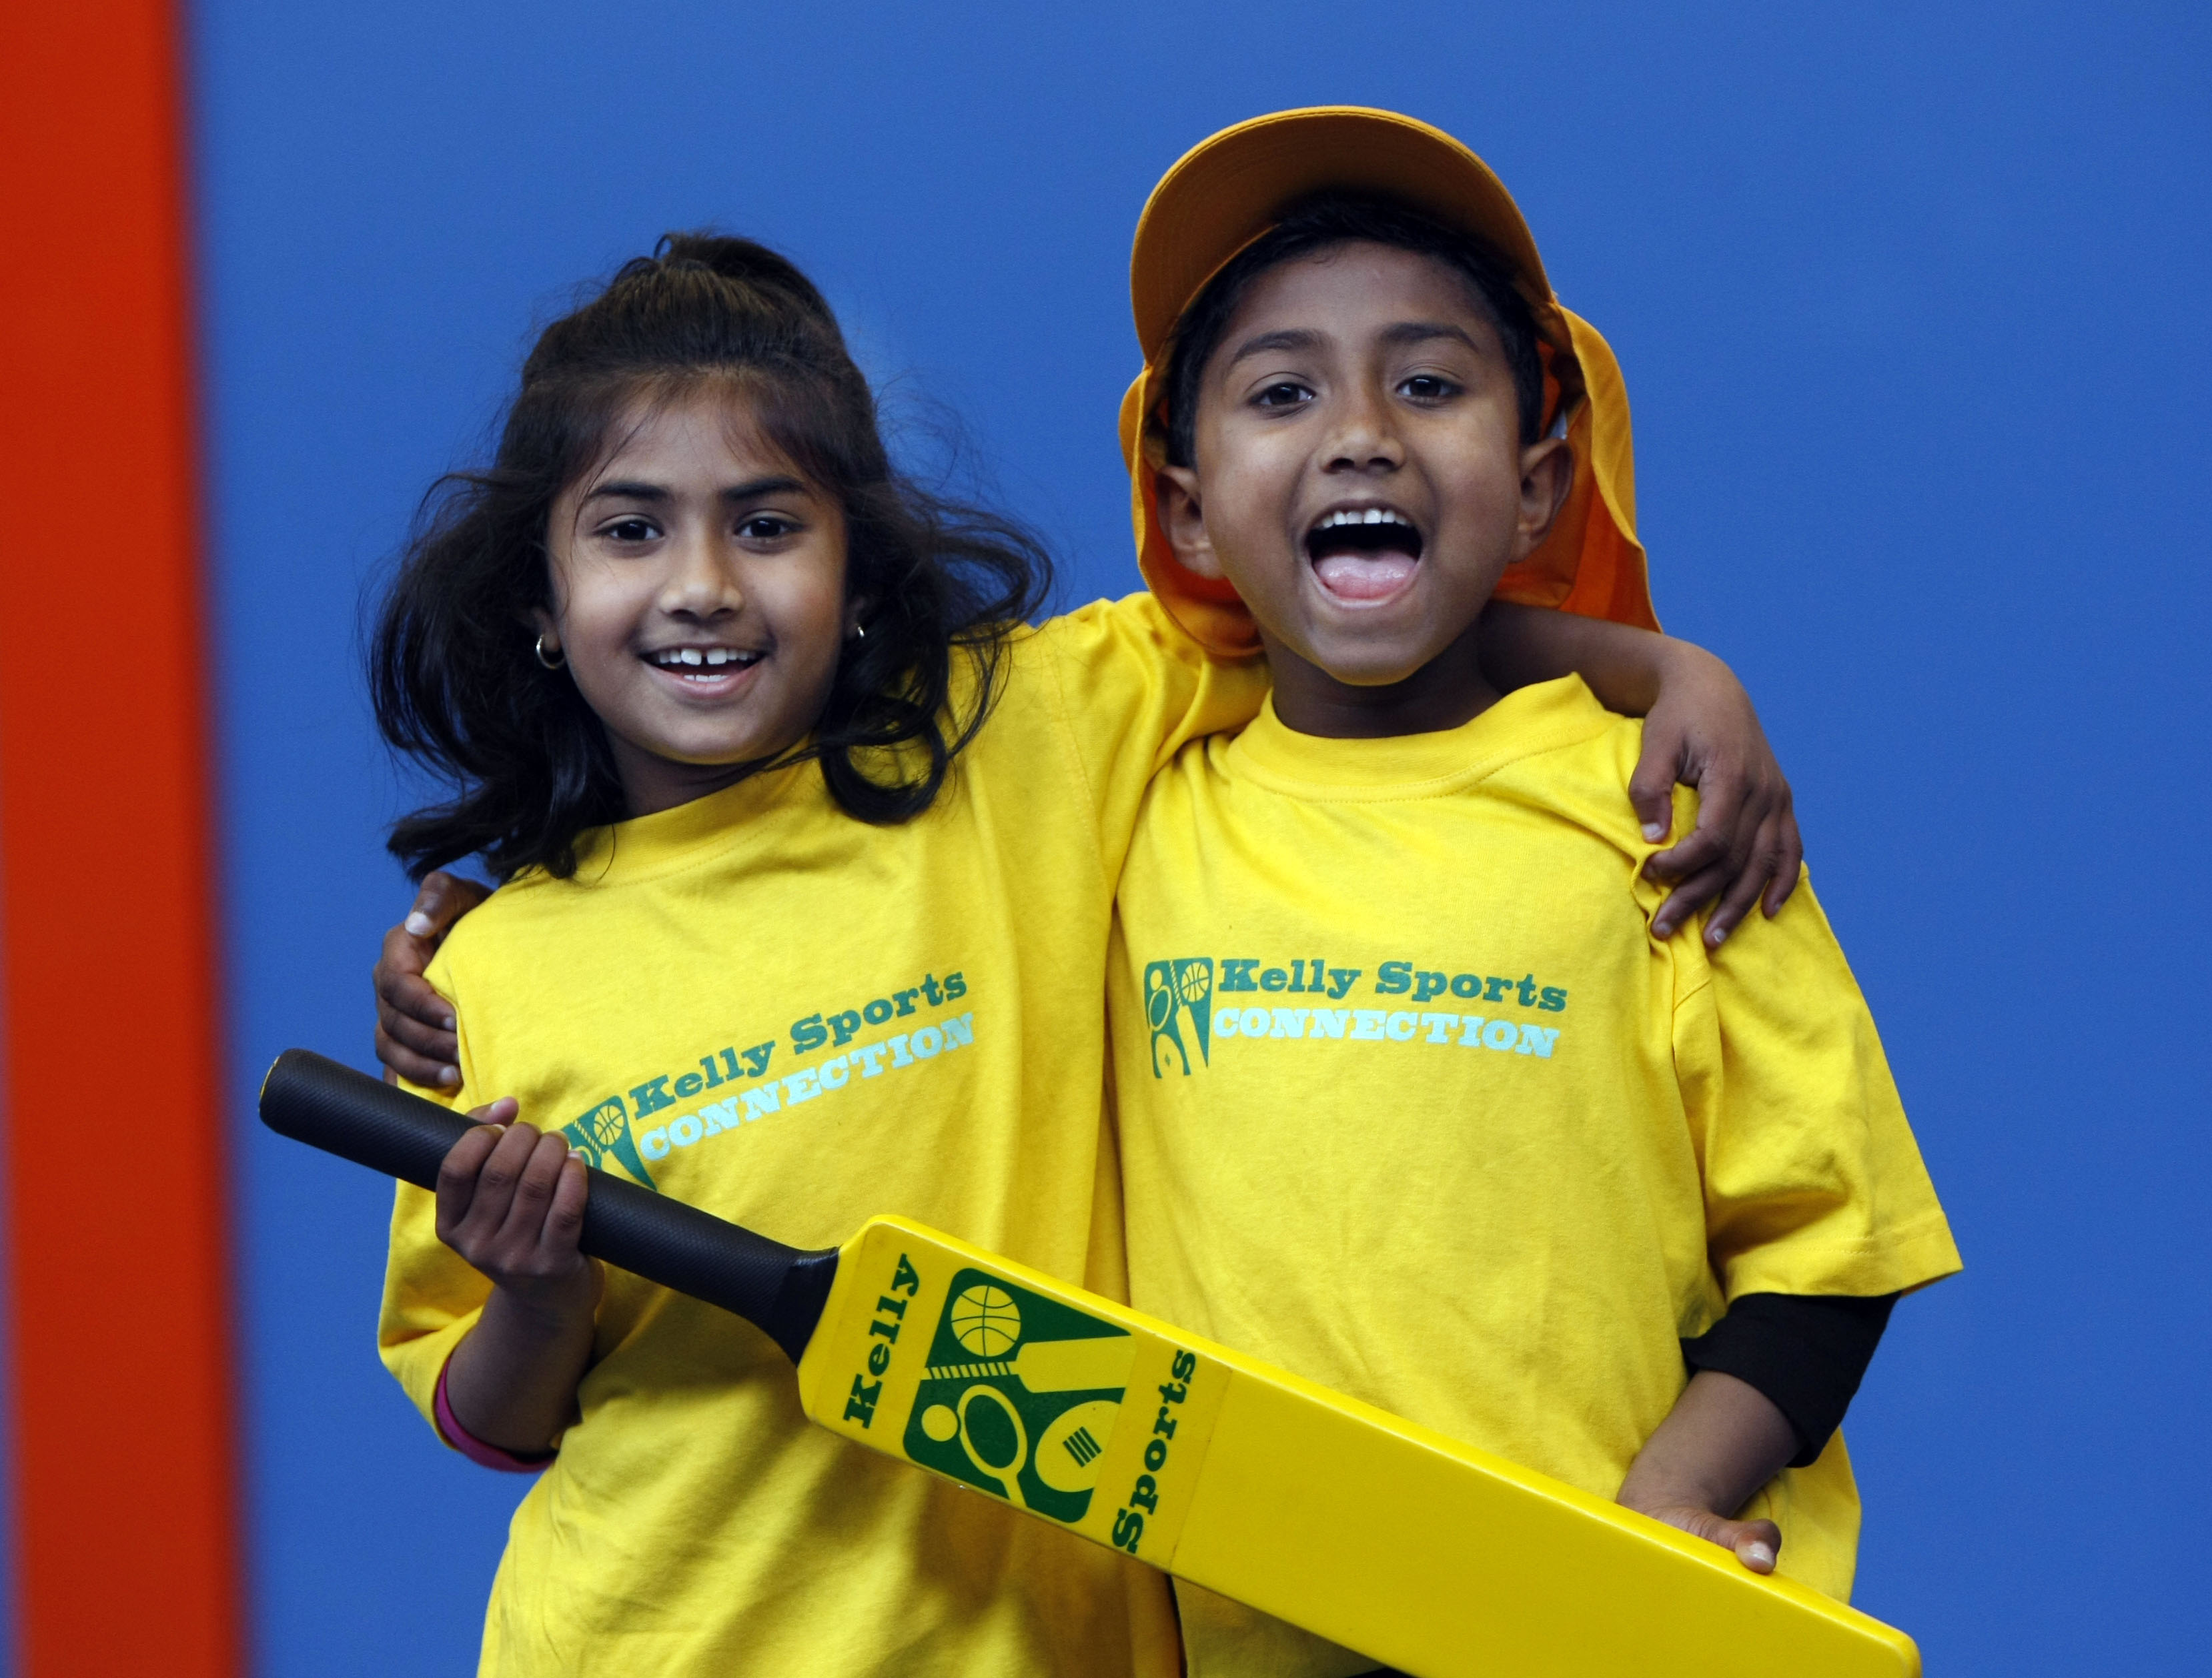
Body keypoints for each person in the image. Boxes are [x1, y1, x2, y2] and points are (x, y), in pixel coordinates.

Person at [367, 230, 1804, 1675]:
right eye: (628, 533)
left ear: (858, 571)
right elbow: (493, 1420)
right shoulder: (489, 978)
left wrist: (1667, 671)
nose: (702, 586)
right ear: (540, 601)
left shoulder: (1025, 742)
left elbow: (1338, 614)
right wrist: (538, 1290)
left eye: (767, 525)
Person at [1102, 108, 1963, 1678]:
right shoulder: (1125, 820)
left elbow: (1826, 1254)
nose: (1361, 432)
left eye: (1428, 384)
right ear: (1184, 506)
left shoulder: (1669, 804)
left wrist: (1656, 1515)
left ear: (1534, 478)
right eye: (1281, 392)